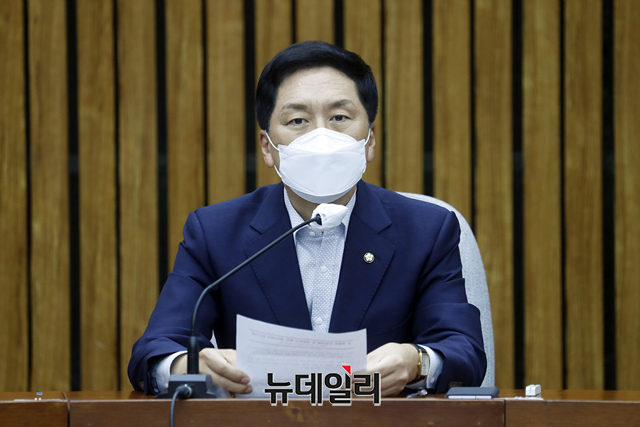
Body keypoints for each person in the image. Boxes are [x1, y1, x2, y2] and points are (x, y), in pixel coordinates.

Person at [128, 41, 486, 397]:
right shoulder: (216, 232)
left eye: (339, 118)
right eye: (298, 120)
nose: (320, 136)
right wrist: (188, 365)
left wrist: (417, 362)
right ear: (268, 147)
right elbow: (155, 351)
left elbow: (464, 352)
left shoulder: (425, 230)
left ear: (369, 140)